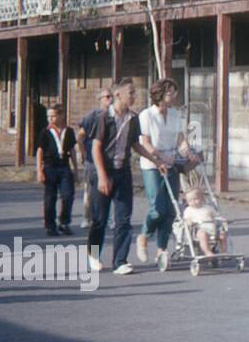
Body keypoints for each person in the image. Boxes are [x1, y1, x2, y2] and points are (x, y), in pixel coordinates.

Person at [87, 78, 169, 276]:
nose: (134, 96)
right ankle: (93, 254)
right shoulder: (103, 117)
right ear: (118, 95)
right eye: (131, 93)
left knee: (123, 218)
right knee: (99, 218)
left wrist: (157, 161)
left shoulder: (133, 118)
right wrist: (102, 176)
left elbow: (136, 145)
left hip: (122, 172)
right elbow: (96, 148)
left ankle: (120, 261)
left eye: (135, 93)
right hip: (103, 171)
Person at [136, 78, 190, 264]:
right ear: (159, 94)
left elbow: (180, 138)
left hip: (172, 161)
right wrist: (160, 157)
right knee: (157, 209)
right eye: (170, 93)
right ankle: (144, 235)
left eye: (175, 92)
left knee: (171, 210)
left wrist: (187, 150)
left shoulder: (175, 114)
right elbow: (146, 143)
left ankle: (162, 249)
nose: (173, 96)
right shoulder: (146, 115)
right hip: (152, 164)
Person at [36, 103, 76, 236]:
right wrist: (39, 170)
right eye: (48, 116)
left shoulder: (69, 131)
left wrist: (75, 168)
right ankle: (50, 225)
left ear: (61, 115)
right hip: (50, 167)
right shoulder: (46, 132)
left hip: (64, 166)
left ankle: (64, 222)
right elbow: (40, 151)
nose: (50, 119)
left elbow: (72, 150)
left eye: (53, 116)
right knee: (50, 197)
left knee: (68, 195)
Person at [76, 88, 113, 230]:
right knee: (90, 190)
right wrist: (84, 153)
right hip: (92, 159)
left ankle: (108, 218)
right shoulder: (92, 116)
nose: (110, 99)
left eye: (111, 97)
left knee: (109, 189)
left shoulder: (114, 115)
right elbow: (80, 136)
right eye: (107, 97)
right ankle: (87, 217)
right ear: (100, 99)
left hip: (108, 160)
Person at [182, 186, 225, 257]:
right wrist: (189, 222)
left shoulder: (208, 208)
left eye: (196, 199)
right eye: (190, 200)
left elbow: (216, 216)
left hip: (212, 228)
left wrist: (221, 219)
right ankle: (207, 252)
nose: (193, 202)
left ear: (202, 198)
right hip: (198, 229)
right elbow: (186, 219)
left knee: (223, 235)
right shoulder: (188, 210)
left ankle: (224, 252)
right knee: (203, 235)